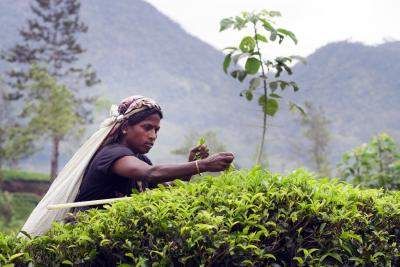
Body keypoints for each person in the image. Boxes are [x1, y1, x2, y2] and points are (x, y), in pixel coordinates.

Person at [73, 95, 234, 211]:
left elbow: (166, 189)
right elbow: (151, 173)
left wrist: (190, 168)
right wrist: (202, 165)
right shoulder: (112, 154)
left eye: (156, 130)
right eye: (147, 127)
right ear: (124, 127)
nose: (153, 136)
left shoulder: (140, 159)